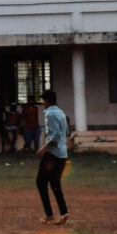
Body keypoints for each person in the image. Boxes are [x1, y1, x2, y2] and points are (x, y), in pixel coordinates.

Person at [36, 89, 70, 224]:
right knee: (55, 183)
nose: (42, 103)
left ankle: (49, 214)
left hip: (52, 153)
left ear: (47, 100)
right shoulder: (60, 112)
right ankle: (63, 212)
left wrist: (43, 148)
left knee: (40, 182)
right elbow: (65, 131)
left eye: (43, 100)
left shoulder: (49, 114)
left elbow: (55, 135)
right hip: (63, 153)